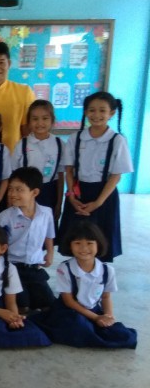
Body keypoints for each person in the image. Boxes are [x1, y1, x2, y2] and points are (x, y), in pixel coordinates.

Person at [30, 222, 137, 349]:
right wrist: (96, 318)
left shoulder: (107, 271)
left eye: (90, 243)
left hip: (94, 311)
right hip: (69, 312)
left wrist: (108, 317)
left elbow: (106, 297)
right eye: (77, 243)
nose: (84, 248)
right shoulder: (65, 268)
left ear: (98, 245)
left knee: (124, 335)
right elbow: (69, 301)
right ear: (70, 245)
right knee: (78, 325)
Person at [58, 92, 131, 262]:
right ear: (85, 112)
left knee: (101, 240)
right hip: (78, 194)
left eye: (102, 110)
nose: (96, 115)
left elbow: (116, 176)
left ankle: (98, 275)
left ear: (111, 113)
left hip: (104, 195)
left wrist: (98, 202)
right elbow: (69, 170)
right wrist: (72, 196)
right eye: (91, 110)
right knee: (75, 237)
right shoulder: (76, 138)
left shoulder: (117, 140)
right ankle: (75, 274)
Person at [0, 167, 56, 311]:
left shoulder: (46, 213)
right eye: (10, 189)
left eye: (19, 190)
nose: (12, 194)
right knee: (23, 305)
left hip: (34, 267)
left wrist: (50, 253)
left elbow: (49, 235)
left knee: (49, 304)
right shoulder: (4, 217)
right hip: (12, 268)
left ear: (34, 192)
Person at [11, 100, 65, 219]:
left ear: (52, 121)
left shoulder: (59, 144)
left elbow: (60, 175)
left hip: (50, 192)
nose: (40, 123)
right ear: (29, 122)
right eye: (35, 119)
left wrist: (59, 203)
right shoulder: (22, 144)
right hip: (25, 192)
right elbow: (13, 175)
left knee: (47, 225)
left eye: (45, 118)